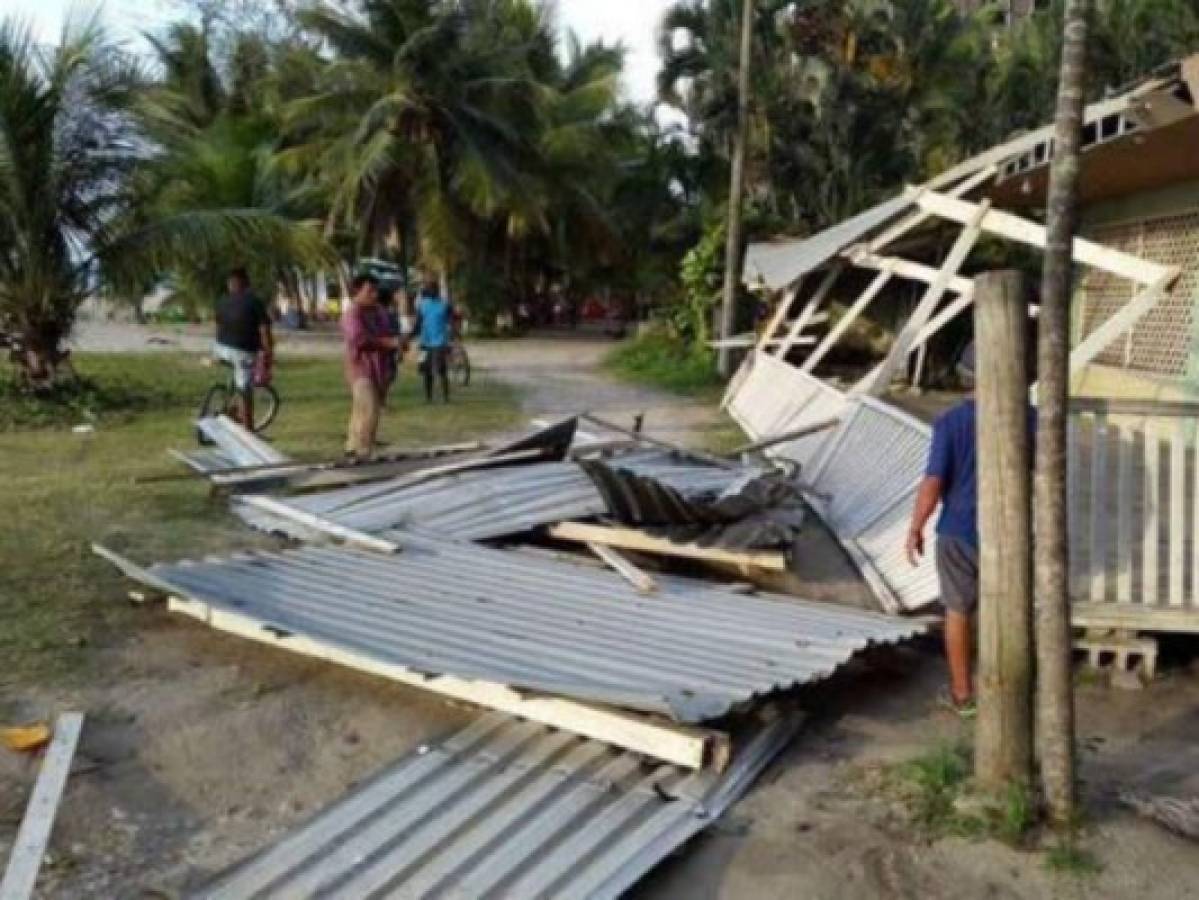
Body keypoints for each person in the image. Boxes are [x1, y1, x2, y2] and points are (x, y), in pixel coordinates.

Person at [906, 340, 1036, 717]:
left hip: (958, 532)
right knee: (1011, 608)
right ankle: (1011, 688)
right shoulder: (1030, 418)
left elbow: (933, 482)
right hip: (1010, 532)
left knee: (958, 611)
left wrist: (915, 527)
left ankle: (963, 694)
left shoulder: (951, 423)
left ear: (966, 377)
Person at [342, 273, 401, 459]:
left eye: (375, 290)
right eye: (370, 291)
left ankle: (353, 448)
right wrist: (388, 343)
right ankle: (362, 452)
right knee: (369, 408)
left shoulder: (379, 312)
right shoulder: (352, 314)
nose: (374, 295)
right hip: (360, 369)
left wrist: (397, 342)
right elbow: (358, 340)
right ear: (357, 291)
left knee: (362, 411)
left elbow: (388, 334)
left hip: (378, 369)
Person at [214, 267, 272, 429]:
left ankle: (231, 409)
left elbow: (218, 327)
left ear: (229, 284)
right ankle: (248, 433)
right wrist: (268, 353)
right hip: (242, 352)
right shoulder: (254, 302)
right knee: (245, 391)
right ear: (246, 283)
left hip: (220, 348)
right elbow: (264, 331)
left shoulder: (222, 301)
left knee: (237, 376)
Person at [411, 278, 455, 403]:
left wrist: (452, 336)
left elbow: (452, 320)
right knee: (427, 371)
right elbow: (418, 325)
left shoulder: (444, 305)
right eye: (429, 288)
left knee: (441, 370)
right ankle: (428, 397)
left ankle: (445, 397)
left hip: (440, 342)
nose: (431, 291)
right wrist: (410, 336)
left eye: (433, 288)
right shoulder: (423, 306)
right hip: (425, 342)